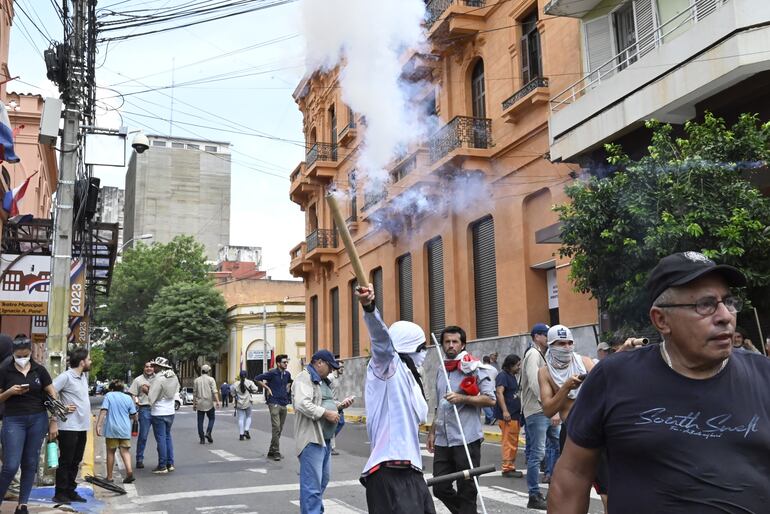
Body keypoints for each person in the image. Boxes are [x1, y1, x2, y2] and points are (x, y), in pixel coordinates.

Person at [549, 251, 770, 513]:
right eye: (705, 305)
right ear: (661, 320)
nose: (725, 315)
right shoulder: (614, 377)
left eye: (728, 301)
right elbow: (572, 475)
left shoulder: (763, 375)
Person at [356, 284, 435, 514]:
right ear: (408, 346)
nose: (424, 353)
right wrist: (369, 307)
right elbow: (381, 341)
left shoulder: (410, 378)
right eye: (421, 348)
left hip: (412, 472)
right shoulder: (387, 367)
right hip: (389, 472)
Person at [427, 326, 495, 514]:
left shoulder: (473, 367)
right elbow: (439, 404)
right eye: (447, 342)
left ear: (463, 344)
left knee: (467, 491)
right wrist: (433, 431)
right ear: (441, 345)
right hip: (443, 440)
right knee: (440, 487)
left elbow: (490, 399)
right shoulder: (441, 369)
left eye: (455, 341)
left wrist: (462, 398)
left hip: (466, 438)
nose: (451, 345)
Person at [537, 325, 606, 510]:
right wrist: (566, 387)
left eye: (569, 343)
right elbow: (548, 410)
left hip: (595, 429)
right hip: (571, 432)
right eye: (561, 343)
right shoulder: (545, 372)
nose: (566, 347)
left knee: (608, 493)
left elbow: (605, 390)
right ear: (551, 345)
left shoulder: (585, 362)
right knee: (572, 493)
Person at [0, 335, 60, 514]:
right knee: (10, 465)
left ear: (30, 353)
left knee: (30, 462)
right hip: (13, 419)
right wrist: (10, 392)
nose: (22, 358)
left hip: (37, 418)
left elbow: (52, 395)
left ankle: (22, 505)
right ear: (13, 354)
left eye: (25, 355)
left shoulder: (39, 370)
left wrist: (53, 421)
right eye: (18, 355)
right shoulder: (5, 370)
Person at [292, 350, 353, 514]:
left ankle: (313, 509)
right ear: (319, 362)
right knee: (312, 486)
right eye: (330, 366)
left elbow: (325, 403)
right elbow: (302, 404)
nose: (332, 370)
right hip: (311, 438)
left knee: (322, 480)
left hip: (324, 439)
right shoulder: (304, 378)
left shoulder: (322, 381)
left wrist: (339, 406)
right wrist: (326, 413)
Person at [519, 322, 558, 510]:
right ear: (536, 336)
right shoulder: (533, 354)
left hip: (546, 409)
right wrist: (549, 406)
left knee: (559, 445)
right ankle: (534, 495)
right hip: (537, 410)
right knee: (537, 453)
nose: (548, 338)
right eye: (545, 334)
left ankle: (555, 486)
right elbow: (535, 383)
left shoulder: (542, 354)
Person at [52, 347, 91, 504]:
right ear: (82, 362)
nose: (90, 362)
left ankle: (70, 490)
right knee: (66, 461)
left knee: (76, 460)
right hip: (68, 427)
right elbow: (49, 392)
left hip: (82, 427)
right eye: (89, 359)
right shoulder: (66, 377)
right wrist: (61, 409)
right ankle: (60, 493)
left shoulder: (82, 377)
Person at [96, 380, 137, 484]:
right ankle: (129, 472)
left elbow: (104, 410)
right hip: (125, 428)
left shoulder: (109, 396)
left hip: (112, 428)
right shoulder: (128, 398)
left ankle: (109, 477)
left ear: (111, 388)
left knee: (111, 452)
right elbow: (134, 415)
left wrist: (98, 425)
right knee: (125, 451)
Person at [144, 356, 179, 474]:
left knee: (161, 439)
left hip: (159, 412)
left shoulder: (158, 379)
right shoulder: (174, 377)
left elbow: (151, 397)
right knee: (168, 437)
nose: (153, 368)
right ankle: (170, 463)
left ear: (159, 367)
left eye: (154, 366)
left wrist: (146, 391)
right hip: (170, 411)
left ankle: (162, 465)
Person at [255, 354, 292, 460]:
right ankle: (276, 451)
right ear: (278, 363)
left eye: (287, 362)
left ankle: (271, 450)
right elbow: (257, 379)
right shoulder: (272, 373)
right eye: (284, 362)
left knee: (279, 429)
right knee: (276, 427)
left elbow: (289, 382)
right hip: (273, 402)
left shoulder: (287, 374)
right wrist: (267, 388)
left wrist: (288, 390)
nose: (286, 364)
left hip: (283, 403)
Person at [493, 354, 523, 478]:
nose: (519, 367)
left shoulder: (511, 376)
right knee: (508, 442)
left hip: (514, 415)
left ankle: (510, 466)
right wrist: (505, 411)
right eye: (517, 365)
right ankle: (507, 468)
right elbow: (499, 393)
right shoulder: (503, 376)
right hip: (508, 416)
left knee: (513, 441)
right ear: (510, 365)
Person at [0, 334, 20, 501]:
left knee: (7, 454)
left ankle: (12, 488)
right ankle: (12, 487)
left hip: (6, 417)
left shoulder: (6, 367)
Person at [128, 361, 155, 469]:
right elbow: (133, 394)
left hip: (157, 409)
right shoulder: (138, 380)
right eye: (147, 366)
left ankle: (164, 461)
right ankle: (139, 459)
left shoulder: (158, 379)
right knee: (143, 436)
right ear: (144, 368)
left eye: (151, 367)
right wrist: (135, 403)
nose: (149, 368)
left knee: (161, 437)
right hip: (144, 409)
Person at [193, 364, 220, 445]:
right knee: (212, 418)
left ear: (201, 371)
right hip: (209, 403)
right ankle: (208, 432)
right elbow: (214, 391)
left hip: (200, 403)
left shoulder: (196, 380)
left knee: (200, 422)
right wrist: (218, 401)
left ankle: (202, 439)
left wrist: (194, 404)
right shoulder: (211, 379)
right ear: (208, 371)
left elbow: (194, 393)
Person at [232, 370, 258, 441]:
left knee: (241, 418)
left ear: (239, 376)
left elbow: (232, 393)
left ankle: (241, 435)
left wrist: (235, 395)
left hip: (239, 403)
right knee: (248, 417)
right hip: (248, 402)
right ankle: (246, 430)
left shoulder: (235, 384)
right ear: (246, 375)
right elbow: (256, 389)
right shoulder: (250, 382)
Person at [481, 356, 497, 425]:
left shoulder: (481, 368)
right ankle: (488, 420)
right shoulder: (494, 369)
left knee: (484, 403)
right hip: (493, 388)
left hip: (484, 388)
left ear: (483, 361)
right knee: (491, 403)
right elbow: (497, 378)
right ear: (489, 361)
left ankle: (491, 417)